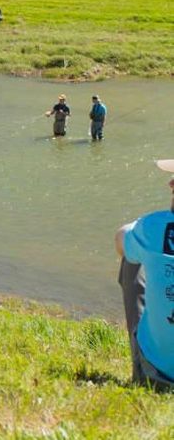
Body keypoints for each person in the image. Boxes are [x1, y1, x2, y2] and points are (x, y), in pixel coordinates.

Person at [114, 160, 174, 391]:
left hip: (157, 374)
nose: (170, 183)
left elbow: (120, 239)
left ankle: (140, 369)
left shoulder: (153, 226)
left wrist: (138, 226)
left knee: (131, 256)